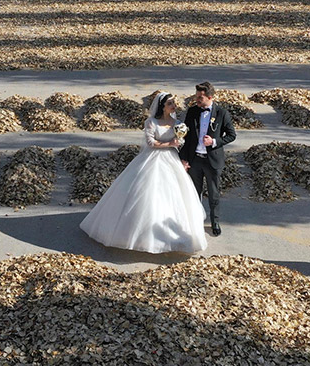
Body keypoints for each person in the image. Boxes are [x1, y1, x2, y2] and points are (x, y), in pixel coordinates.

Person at [81, 93, 208, 254]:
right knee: (146, 192)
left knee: (174, 193)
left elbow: (181, 141)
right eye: (170, 103)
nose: (174, 106)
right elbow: (150, 143)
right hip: (152, 158)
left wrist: (179, 145)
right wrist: (171, 143)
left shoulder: (177, 123)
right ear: (162, 106)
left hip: (172, 159)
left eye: (174, 103)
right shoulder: (151, 122)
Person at [179, 82, 236, 236]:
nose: (196, 99)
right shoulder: (192, 111)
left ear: (210, 97)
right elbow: (186, 137)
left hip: (212, 161)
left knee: (213, 194)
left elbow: (232, 135)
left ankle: (215, 222)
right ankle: (195, 221)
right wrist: (183, 159)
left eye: (200, 97)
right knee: (193, 193)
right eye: (196, 96)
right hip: (195, 159)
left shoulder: (222, 113)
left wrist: (214, 142)